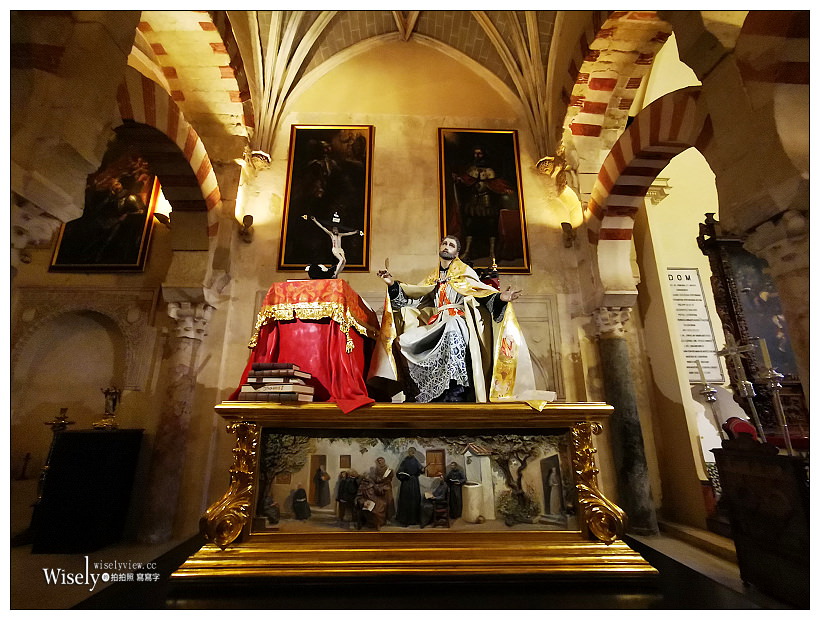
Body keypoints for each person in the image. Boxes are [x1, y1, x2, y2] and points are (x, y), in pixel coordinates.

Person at [370, 236, 555, 404]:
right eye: (444, 243)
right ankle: (419, 390)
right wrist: (392, 285)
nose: (446, 246)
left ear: (456, 253)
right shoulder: (432, 278)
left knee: (452, 326)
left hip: (458, 320)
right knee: (404, 341)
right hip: (436, 321)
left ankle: (454, 388)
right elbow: (412, 298)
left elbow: (482, 294)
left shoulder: (464, 272)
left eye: (451, 245)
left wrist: (500, 298)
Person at [452, 145, 513, 262]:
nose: (477, 156)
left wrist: (504, 189)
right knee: (470, 225)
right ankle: (467, 251)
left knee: (490, 226)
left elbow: (495, 183)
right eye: (475, 153)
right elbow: (467, 180)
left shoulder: (489, 171)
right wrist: (459, 179)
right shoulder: (471, 169)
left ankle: (492, 253)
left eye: (479, 153)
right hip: (473, 202)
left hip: (487, 203)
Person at [309, 214, 363, 278]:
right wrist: (315, 220)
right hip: (335, 249)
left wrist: (355, 232)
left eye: (336, 229)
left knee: (344, 261)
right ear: (332, 230)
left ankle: (337, 273)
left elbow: (348, 233)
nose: (335, 230)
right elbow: (322, 227)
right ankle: (335, 274)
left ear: (338, 230)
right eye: (334, 229)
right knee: (341, 260)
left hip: (340, 249)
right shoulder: (331, 234)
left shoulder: (340, 235)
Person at [395, 447, 424, 526]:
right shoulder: (404, 461)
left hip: (414, 482)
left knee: (414, 500)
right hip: (406, 483)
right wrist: (403, 475)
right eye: (410, 451)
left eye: (413, 452)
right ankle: (404, 520)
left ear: (414, 452)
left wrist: (422, 470)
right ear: (408, 452)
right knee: (405, 500)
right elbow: (399, 472)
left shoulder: (415, 461)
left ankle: (414, 520)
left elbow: (420, 469)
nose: (411, 453)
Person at [373, 457, 395, 523]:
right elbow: (376, 478)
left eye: (381, 461)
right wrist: (378, 479)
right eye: (379, 461)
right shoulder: (376, 469)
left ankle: (389, 517)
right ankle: (382, 518)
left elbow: (390, 478)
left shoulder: (388, 470)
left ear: (384, 461)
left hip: (387, 487)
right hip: (379, 488)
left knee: (389, 501)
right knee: (381, 503)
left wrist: (384, 479)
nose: (380, 462)